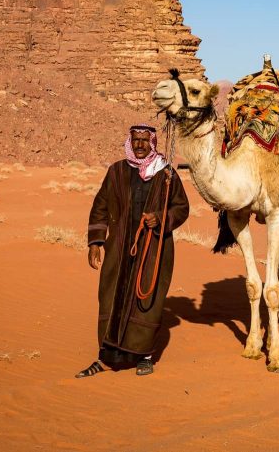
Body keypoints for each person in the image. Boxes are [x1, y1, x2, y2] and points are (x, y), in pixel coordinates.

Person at [76, 124, 190, 378]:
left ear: (152, 142)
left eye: (144, 141)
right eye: (135, 140)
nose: (139, 145)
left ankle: (145, 356)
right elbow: (100, 206)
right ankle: (106, 356)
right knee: (110, 295)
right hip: (118, 248)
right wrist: (95, 242)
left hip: (153, 248)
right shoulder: (116, 171)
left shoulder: (166, 173)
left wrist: (161, 218)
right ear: (130, 141)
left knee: (147, 300)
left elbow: (181, 208)